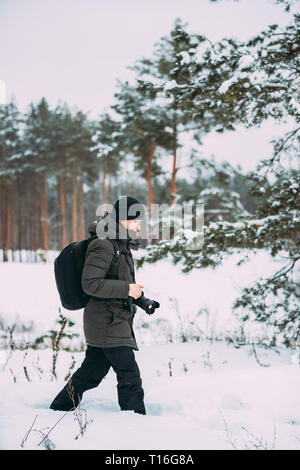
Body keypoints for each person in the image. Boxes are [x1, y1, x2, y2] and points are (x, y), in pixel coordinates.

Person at [49, 195, 147, 415]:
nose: (140, 223)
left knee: (91, 373)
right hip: (106, 321)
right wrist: (125, 289)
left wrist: (141, 299)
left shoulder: (121, 244)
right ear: (123, 219)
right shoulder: (104, 244)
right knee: (129, 375)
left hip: (112, 319)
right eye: (137, 219)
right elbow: (90, 284)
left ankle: (58, 409)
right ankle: (137, 423)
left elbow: (120, 281)